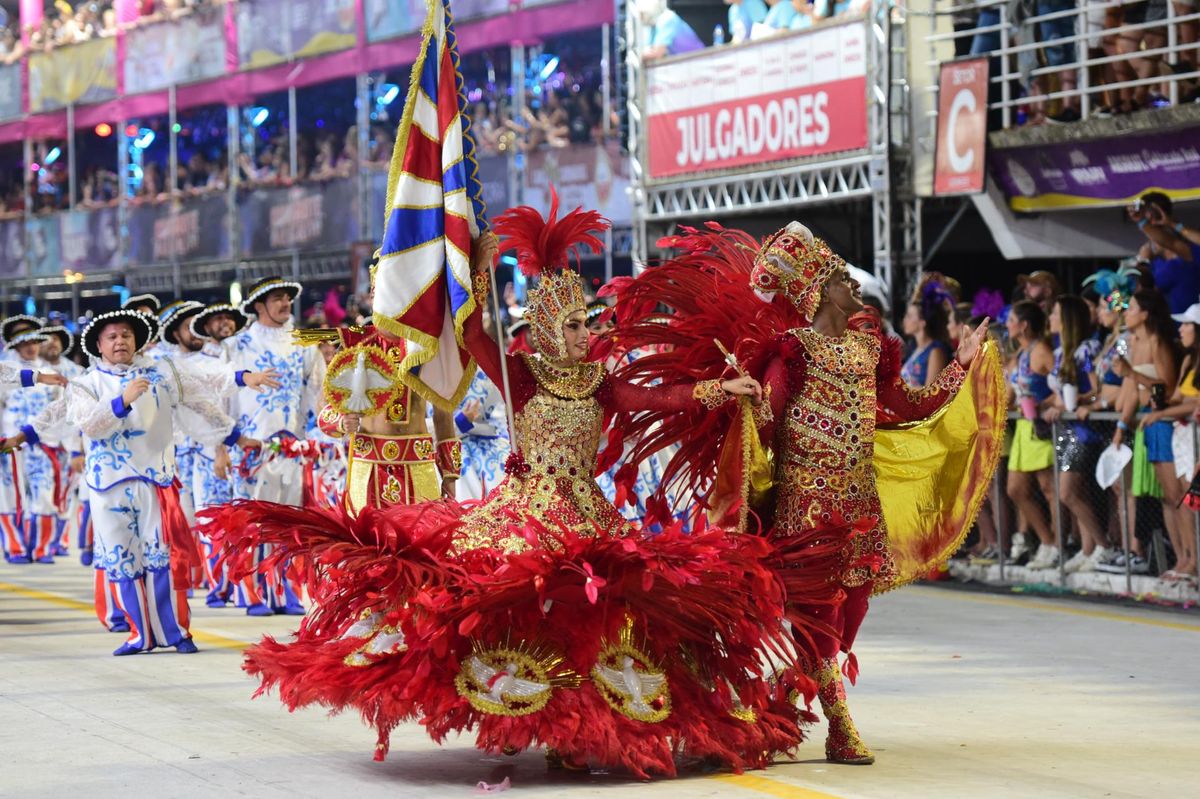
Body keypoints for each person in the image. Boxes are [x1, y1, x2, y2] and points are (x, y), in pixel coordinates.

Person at [204, 203, 820, 777]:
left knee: (598, 619)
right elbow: (472, 335)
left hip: (585, 510)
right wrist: (471, 266)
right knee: (517, 615)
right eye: (575, 325)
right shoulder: (519, 373)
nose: (585, 334)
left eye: (587, 324)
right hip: (524, 511)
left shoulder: (598, 381)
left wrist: (717, 392)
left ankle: (581, 729)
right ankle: (523, 718)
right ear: (549, 328)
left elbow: (651, 398)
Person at [604, 221, 1001, 766]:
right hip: (806, 510)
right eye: (844, 278)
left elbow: (911, 407)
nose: (855, 286)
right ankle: (838, 725)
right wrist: (742, 400)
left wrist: (962, 363)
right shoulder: (791, 351)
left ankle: (784, 705)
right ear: (819, 291)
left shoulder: (870, 348)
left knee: (851, 612)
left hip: (860, 508)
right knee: (819, 617)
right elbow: (767, 422)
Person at [9, 310, 254, 655]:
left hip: (154, 478)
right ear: (99, 345)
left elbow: (203, 388)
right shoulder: (86, 382)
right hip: (107, 485)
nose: (120, 341)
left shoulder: (163, 371)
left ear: (136, 339)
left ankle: (175, 631)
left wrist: (240, 413)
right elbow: (82, 422)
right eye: (111, 337)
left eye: (125, 335)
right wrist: (121, 401)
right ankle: (141, 634)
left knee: (161, 558)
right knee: (123, 559)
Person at [226, 277, 328, 616]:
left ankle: (288, 591)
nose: (285, 304)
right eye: (278, 299)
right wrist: (225, 442)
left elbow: (319, 392)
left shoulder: (305, 343)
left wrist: (316, 436)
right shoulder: (237, 345)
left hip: (294, 446)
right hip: (252, 446)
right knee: (254, 523)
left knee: (291, 523)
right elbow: (222, 394)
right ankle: (252, 593)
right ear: (258, 306)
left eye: (287, 298)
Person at [305, 322, 460, 513]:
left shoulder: (426, 342)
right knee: (367, 541)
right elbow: (324, 402)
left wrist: (450, 476)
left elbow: (443, 414)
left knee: (424, 537)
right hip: (369, 467)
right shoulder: (355, 341)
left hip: (418, 466)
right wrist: (341, 422)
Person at [1111, 289, 1179, 576]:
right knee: (1161, 496)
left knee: (1175, 496)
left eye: (1131, 308)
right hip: (1143, 424)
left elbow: (1169, 388)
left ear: (1145, 314)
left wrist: (1132, 373)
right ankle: (1180, 560)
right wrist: (1121, 426)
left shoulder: (1157, 342)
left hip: (1163, 423)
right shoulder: (1135, 344)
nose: (1126, 312)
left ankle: (1187, 558)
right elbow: (1132, 392)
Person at [1042, 295, 1112, 573]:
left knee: (1068, 492)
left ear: (1068, 319)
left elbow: (1099, 389)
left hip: (1084, 431)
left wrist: (1078, 400)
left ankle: (1104, 544)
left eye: (1056, 314)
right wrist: (1050, 404)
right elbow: (1059, 392)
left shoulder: (1087, 349)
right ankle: (1087, 549)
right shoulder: (1060, 352)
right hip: (1066, 429)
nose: (1050, 319)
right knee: (1075, 492)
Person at [1139, 302, 1200, 586]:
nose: (1182, 329)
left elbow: (1196, 403)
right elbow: (1179, 398)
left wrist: (1162, 413)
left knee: (1189, 499)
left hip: (1193, 436)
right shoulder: (1189, 361)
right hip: (1183, 436)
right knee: (1182, 499)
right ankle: (1186, 558)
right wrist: (1162, 403)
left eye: (1187, 324)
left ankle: (1193, 559)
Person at [1005, 301, 1058, 570]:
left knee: (1050, 488)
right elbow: (1008, 396)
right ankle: (1047, 540)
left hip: (1040, 428)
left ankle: (1056, 545)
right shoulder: (1020, 355)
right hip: (1023, 430)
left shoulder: (1042, 351)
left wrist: (1045, 404)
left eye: (1011, 319)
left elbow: (1062, 385)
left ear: (1024, 325)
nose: (1007, 324)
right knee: (1015, 489)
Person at [901, 278, 954, 388]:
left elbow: (930, 392)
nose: (905, 320)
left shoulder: (936, 351)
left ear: (922, 322)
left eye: (910, 316)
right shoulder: (914, 348)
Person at [637, 0, 704, 62]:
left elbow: (657, 53)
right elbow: (649, 50)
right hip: (685, 64)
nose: (641, 17)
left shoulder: (667, 18)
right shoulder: (651, 27)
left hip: (699, 61)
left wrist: (635, 55)